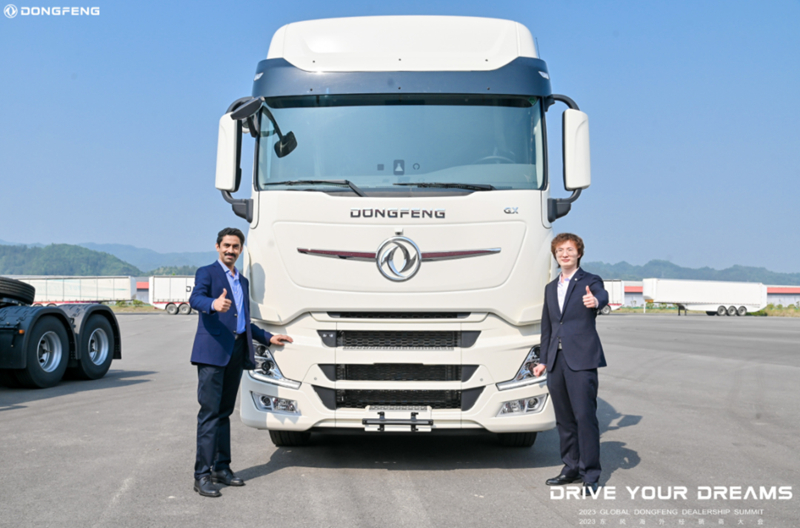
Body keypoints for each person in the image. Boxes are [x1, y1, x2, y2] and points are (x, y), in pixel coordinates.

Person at [189, 227, 293, 498]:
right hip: (212, 354)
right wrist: (213, 304)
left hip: (235, 351)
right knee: (209, 414)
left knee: (224, 413)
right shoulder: (207, 273)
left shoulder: (242, 281)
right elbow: (195, 298)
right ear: (217, 247)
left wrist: (269, 337)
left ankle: (221, 468)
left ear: (241, 250)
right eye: (226, 245)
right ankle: (202, 476)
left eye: (235, 247)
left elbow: (245, 322)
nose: (230, 250)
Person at [533, 233, 608, 493]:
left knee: (584, 416)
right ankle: (571, 467)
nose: (564, 254)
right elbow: (547, 326)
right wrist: (543, 360)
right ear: (555, 255)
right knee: (564, 419)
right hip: (556, 360)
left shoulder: (590, 281)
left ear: (579, 253)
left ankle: (591, 474)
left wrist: (595, 301)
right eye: (560, 251)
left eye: (569, 249)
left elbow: (601, 295)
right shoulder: (550, 288)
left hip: (582, 359)